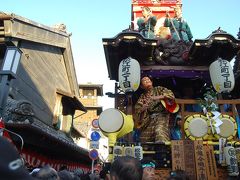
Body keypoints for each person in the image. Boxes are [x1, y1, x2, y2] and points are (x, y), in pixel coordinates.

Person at [134, 75, 179, 143]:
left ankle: (162, 151)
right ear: (142, 86)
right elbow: (137, 108)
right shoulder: (142, 96)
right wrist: (143, 108)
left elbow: (170, 95)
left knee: (159, 132)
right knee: (144, 139)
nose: (147, 81)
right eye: (144, 81)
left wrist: (158, 97)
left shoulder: (159, 89)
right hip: (149, 119)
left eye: (148, 79)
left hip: (162, 116)